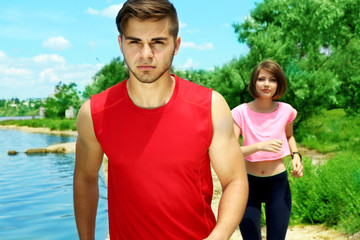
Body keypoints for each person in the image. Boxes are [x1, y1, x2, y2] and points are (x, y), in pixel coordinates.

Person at [73, 0, 249, 239]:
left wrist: (219, 236)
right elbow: (85, 178)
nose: (146, 54)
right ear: (120, 44)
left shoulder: (210, 106)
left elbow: (235, 180)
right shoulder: (94, 113)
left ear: (176, 45)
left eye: (158, 42)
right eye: (134, 42)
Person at [231, 60, 303, 240]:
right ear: (254, 82)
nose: (266, 84)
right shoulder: (240, 112)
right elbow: (230, 150)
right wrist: (259, 146)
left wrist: (296, 156)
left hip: (278, 185)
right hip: (247, 185)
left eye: (272, 79)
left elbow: (289, 136)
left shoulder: (286, 111)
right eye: (261, 79)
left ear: (279, 83)